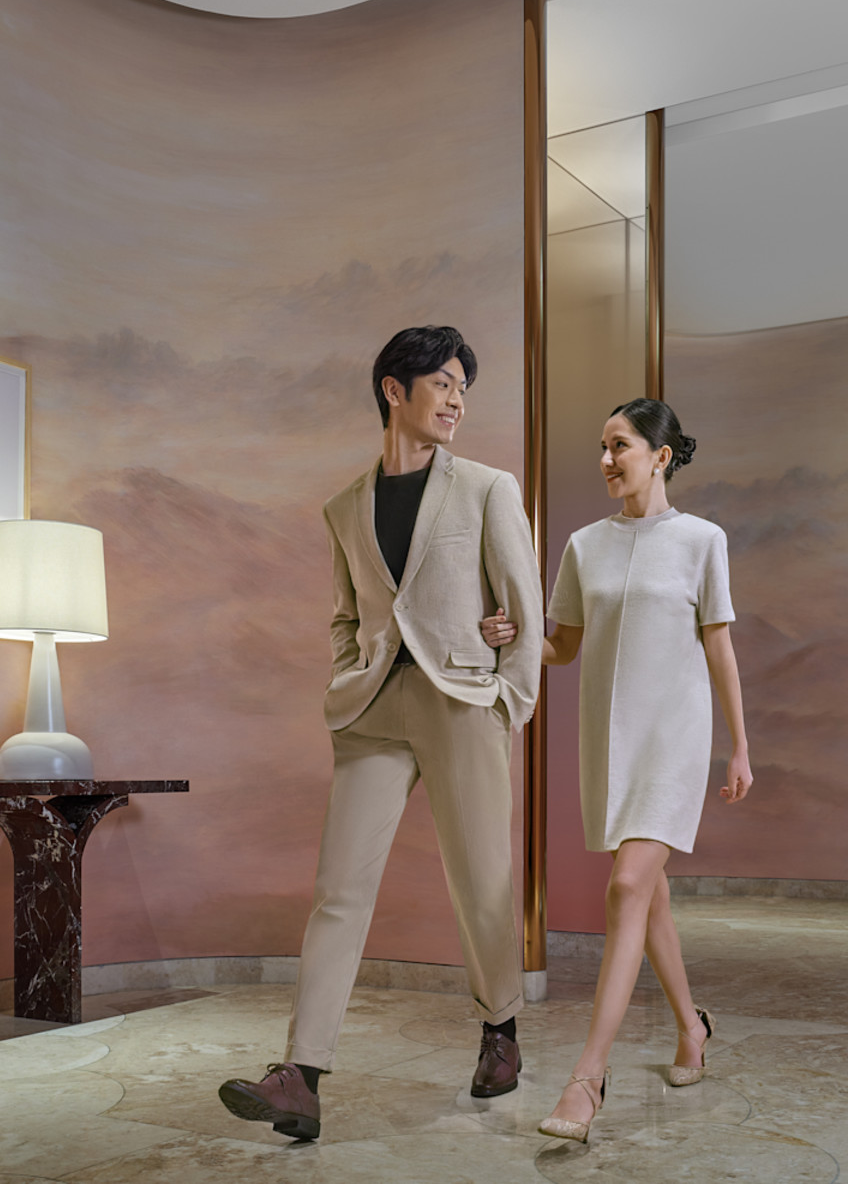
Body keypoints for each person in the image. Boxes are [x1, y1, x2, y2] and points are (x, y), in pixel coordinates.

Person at [219, 326, 544, 1142]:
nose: (458, 397)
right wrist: (346, 677)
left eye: (464, 384)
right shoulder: (343, 507)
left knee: (482, 881)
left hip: (463, 701)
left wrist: (510, 699)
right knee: (339, 889)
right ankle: (302, 1074)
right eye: (442, 381)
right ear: (394, 390)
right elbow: (345, 613)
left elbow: (526, 609)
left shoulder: (487, 488)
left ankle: (500, 1033)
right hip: (372, 712)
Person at [480, 397, 751, 1144]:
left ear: (660, 455)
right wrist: (511, 635)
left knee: (628, 885)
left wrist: (740, 745)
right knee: (648, 894)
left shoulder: (702, 540)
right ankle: (692, 1028)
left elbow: (720, 648)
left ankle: (587, 1079)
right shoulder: (582, 546)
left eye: (621, 445)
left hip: (676, 735)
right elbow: (561, 646)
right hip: (608, 737)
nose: (607, 459)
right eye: (601, 446)